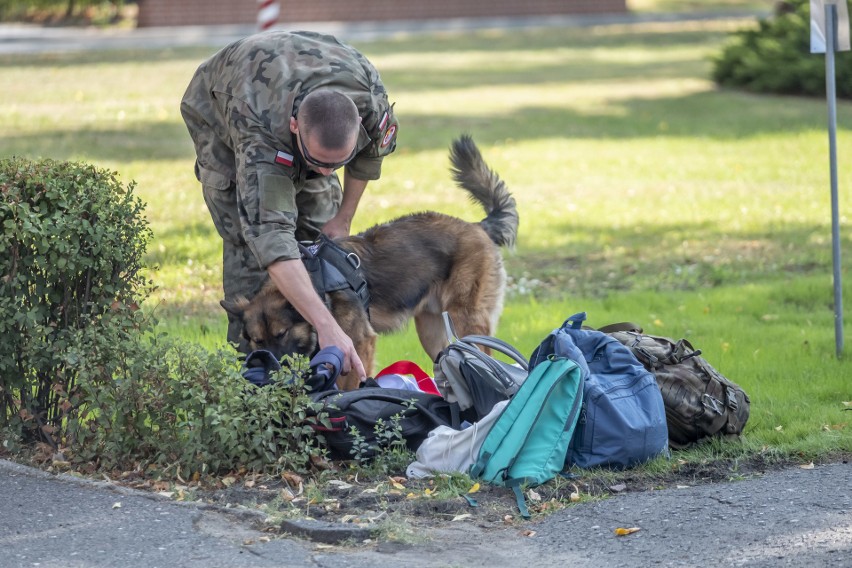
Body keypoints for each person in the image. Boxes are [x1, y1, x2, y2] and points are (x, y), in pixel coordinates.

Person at [180, 30, 399, 381]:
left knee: (324, 257)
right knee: (254, 271)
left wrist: (343, 218)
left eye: (335, 165)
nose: (327, 173)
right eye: (319, 162)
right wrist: (327, 325)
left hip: (302, 101)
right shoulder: (259, 131)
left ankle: (318, 386)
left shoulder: (369, 100)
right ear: (295, 127)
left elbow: (371, 156)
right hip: (227, 110)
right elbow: (273, 242)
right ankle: (253, 393)